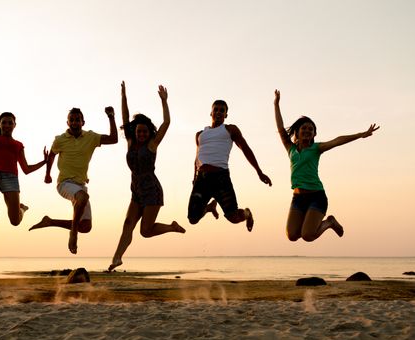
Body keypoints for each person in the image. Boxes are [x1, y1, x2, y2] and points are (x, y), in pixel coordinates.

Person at [273, 90, 379, 242]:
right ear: (297, 132)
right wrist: (276, 104)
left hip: (316, 196)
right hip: (298, 198)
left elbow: (338, 140)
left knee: (308, 235)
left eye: (311, 129)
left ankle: (329, 222)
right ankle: (324, 222)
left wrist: (361, 134)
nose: (307, 130)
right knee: (292, 236)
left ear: (314, 134)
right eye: (304, 128)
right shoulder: (290, 148)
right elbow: (281, 128)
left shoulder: (316, 148)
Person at [108, 82, 186, 271]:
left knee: (145, 231)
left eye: (144, 131)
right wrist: (123, 96)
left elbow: (166, 123)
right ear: (135, 132)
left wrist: (164, 101)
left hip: (152, 190)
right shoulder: (129, 142)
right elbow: (125, 117)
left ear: (148, 132)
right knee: (127, 224)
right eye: (138, 131)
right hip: (136, 190)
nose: (141, 134)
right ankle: (116, 258)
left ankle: (171, 227)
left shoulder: (152, 144)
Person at [29, 106, 118, 254]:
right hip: (64, 183)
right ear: (67, 122)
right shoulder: (60, 140)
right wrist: (47, 174)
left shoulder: (91, 137)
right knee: (82, 198)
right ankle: (73, 234)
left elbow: (113, 139)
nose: (75, 122)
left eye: (78, 120)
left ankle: (50, 221)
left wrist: (111, 117)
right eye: (72, 120)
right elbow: (51, 155)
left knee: (86, 226)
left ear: (83, 122)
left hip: (80, 185)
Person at [187, 100, 272, 231]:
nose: (219, 112)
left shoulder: (230, 129)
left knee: (233, 217)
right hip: (202, 179)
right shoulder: (200, 134)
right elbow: (197, 158)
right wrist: (194, 177)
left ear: (226, 115)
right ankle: (210, 207)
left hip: (220, 178)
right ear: (211, 112)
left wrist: (259, 171)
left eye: (222, 110)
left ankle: (247, 213)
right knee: (193, 218)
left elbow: (245, 149)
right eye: (216, 109)